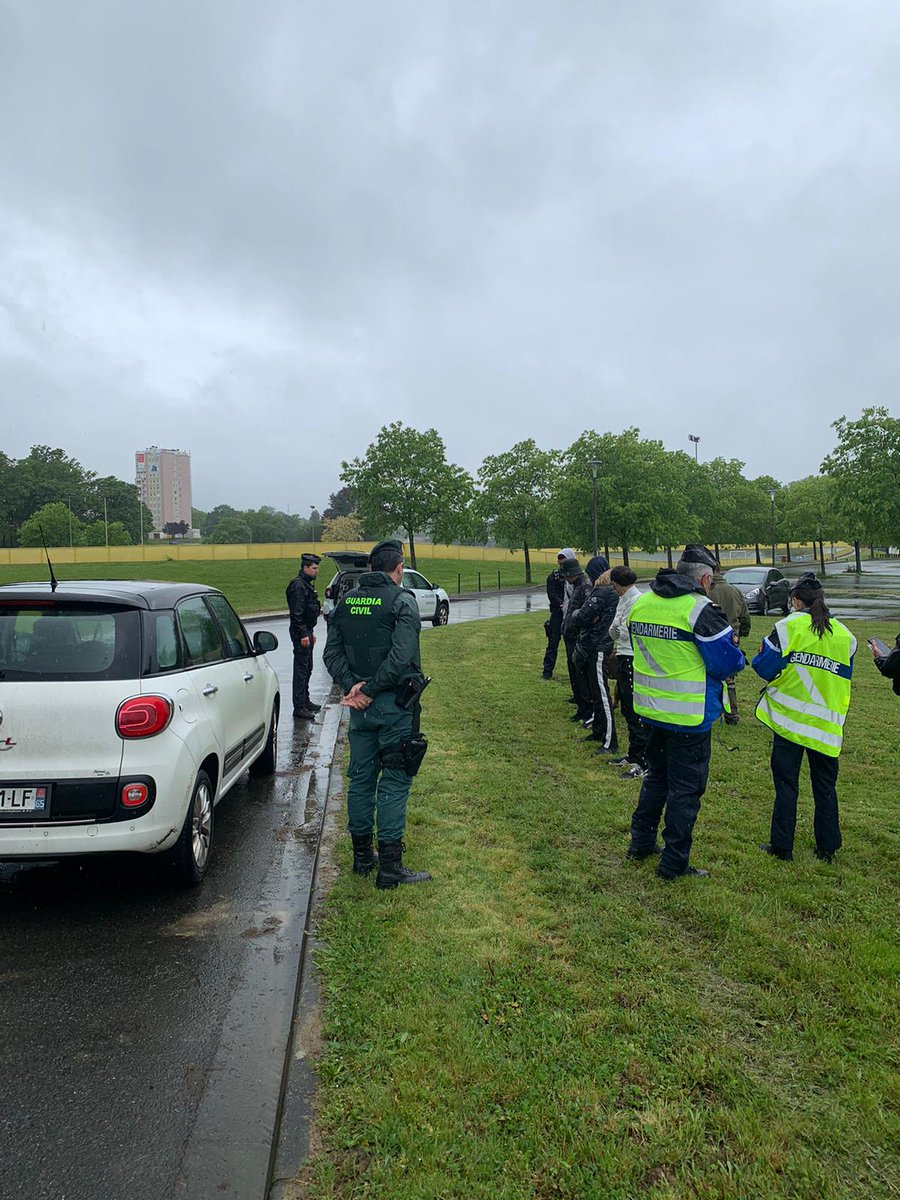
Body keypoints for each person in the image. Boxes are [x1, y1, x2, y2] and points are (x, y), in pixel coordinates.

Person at [626, 545, 745, 880]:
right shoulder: (699, 610)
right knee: (686, 791)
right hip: (689, 717)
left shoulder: (643, 602)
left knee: (655, 778)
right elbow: (727, 663)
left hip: (651, 709)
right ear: (704, 578)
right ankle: (674, 863)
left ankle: (641, 843)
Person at [323, 538, 432, 889]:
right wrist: (368, 689)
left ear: (371, 569)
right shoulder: (402, 601)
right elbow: (401, 657)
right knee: (396, 781)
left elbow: (332, 654)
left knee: (362, 780)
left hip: (360, 710)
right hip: (394, 706)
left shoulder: (347, 601)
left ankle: (361, 858)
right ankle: (389, 867)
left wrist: (352, 687)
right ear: (398, 568)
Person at [752, 572, 856, 863]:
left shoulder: (788, 626)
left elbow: (762, 665)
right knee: (825, 788)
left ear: (795, 600)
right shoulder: (846, 637)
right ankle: (828, 848)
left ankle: (782, 846)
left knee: (786, 786)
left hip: (790, 721)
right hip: (826, 725)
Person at [571, 556, 619, 755]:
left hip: (597, 647)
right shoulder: (611, 591)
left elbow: (581, 616)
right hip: (599, 645)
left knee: (601, 694)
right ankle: (599, 731)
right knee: (598, 692)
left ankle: (610, 741)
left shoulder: (602, 591)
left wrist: (577, 615)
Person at [608, 565, 648, 778]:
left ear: (615, 583)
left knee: (635, 711)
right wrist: (620, 629)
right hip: (622, 655)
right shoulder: (623, 601)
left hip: (633, 656)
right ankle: (633, 754)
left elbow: (627, 632)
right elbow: (614, 631)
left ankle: (643, 760)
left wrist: (620, 629)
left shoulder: (637, 601)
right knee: (625, 707)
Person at [709, 563, 752, 724]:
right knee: (729, 679)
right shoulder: (735, 591)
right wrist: (744, 632)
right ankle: (732, 713)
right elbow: (744, 616)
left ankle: (715, 711)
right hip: (732, 638)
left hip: (712, 637)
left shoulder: (706, 591)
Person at [286, 552, 322, 719]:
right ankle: (299, 706)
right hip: (301, 633)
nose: (317, 571)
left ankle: (305, 701)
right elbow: (297, 613)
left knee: (308, 667)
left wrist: (311, 632)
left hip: (307, 630)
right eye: (314, 568)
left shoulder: (306, 584)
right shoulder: (298, 586)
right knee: (301, 670)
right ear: (305, 568)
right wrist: (303, 634)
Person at [560, 557, 592, 721]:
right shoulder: (576, 585)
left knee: (580, 673)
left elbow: (583, 614)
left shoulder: (584, 587)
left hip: (577, 636)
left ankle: (585, 708)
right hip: (571, 634)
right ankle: (581, 705)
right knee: (574, 671)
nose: (565, 578)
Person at [541, 550, 571, 680]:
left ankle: (575, 673)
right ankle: (547, 672)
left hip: (571, 614)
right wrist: (561, 604)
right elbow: (551, 594)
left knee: (572, 645)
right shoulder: (554, 577)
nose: (561, 561)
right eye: (559, 558)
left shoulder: (578, 577)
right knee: (553, 643)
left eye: (563, 558)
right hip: (557, 614)